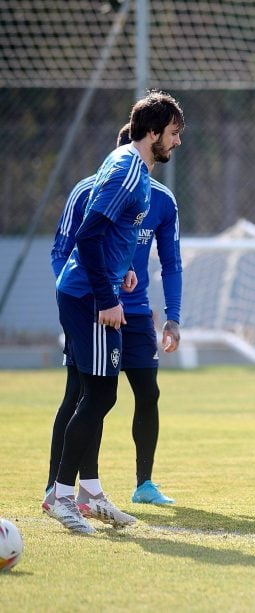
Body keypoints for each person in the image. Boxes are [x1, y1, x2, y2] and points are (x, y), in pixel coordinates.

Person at [42, 90, 185, 534]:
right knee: (99, 396)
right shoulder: (127, 170)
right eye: (174, 133)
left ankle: (89, 491)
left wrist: (120, 270)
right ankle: (63, 496)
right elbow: (86, 234)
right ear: (153, 131)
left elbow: (108, 236)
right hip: (90, 299)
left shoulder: (126, 164)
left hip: (94, 290)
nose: (177, 143)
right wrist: (107, 296)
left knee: (96, 394)